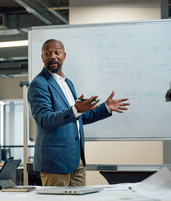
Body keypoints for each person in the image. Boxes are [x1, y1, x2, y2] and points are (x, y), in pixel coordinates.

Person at [28, 39, 130, 187]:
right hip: (55, 162)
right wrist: (75, 109)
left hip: (77, 159)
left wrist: (105, 108)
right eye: (47, 53)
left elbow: (77, 117)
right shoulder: (39, 84)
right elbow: (45, 119)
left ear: (64, 56)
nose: (53, 57)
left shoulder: (68, 83)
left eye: (57, 52)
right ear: (42, 57)